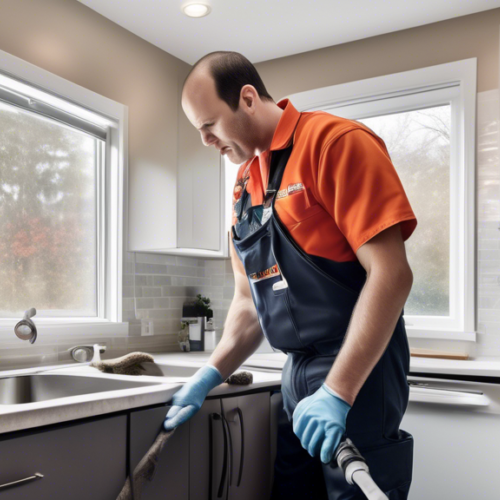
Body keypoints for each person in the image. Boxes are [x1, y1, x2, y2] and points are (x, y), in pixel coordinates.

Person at [163, 51, 417, 499]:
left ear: (246, 98)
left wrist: (337, 392)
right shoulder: (245, 185)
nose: (205, 141)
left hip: (357, 376)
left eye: (209, 126)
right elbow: (248, 303)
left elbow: (391, 275)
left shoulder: (334, 143)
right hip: (295, 379)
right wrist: (209, 374)